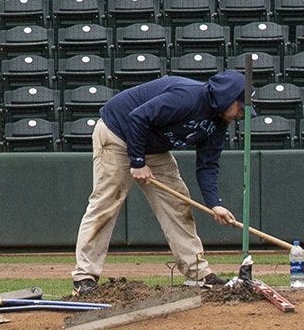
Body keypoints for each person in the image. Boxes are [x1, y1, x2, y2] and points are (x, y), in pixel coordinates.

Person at [73, 68, 251, 287]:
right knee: (106, 203)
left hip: (153, 147)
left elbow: (207, 165)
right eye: (240, 109)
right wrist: (138, 162)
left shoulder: (219, 123)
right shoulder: (188, 97)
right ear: (228, 97)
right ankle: (84, 277)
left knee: (178, 203)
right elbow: (138, 117)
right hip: (117, 133)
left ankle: (198, 273)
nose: (240, 115)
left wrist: (215, 204)